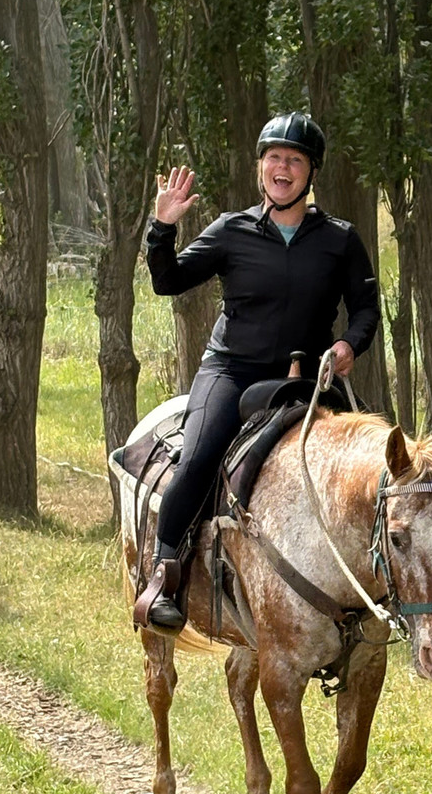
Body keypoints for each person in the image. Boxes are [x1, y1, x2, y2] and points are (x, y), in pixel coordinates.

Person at [133, 111, 381, 632]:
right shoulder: (231, 230)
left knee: (371, 473)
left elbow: (365, 308)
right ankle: (163, 573)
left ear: (311, 173)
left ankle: (375, 588)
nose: (282, 168)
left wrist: (348, 344)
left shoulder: (340, 239)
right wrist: (163, 227)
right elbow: (167, 281)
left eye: (294, 160)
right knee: (199, 458)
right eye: (274, 158)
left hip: (307, 380)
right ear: (260, 167)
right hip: (233, 371)